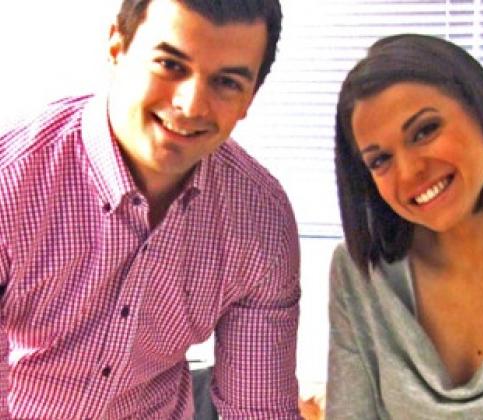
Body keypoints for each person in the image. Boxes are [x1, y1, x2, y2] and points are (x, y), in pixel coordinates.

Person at [0, 0, 302, 418]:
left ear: (250, 97)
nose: (191, 105)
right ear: (117, 48)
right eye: (170, 65)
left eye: (227, 82)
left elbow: (259, 408)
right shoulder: (10, 183)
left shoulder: (261, 219)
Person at [326, 33, 483, 419]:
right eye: (380, 160)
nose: (409, 172)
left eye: (425, 131)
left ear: (482, 110)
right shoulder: (361, 272)